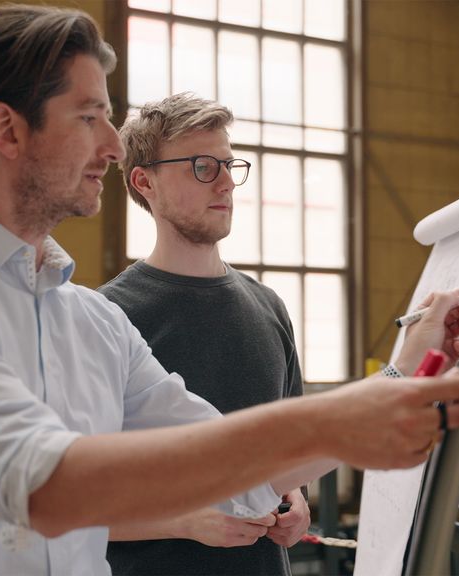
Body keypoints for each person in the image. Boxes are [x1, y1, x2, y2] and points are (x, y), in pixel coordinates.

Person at [0, 5, 459, 576]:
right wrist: (335, 417)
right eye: (88, 116)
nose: (115, 147)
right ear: (6, 130)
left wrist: (404, 369)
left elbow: (246, 474)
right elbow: (46, 487)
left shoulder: (93, 324)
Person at [98, 93, 310, 576]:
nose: (226, 183)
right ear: (144, 180)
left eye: (229, 165)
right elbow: (64, 498)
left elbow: (289, 448)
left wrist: (293, 497)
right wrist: (182, 521)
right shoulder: (107, 316)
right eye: (201, 166)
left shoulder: (268, 308)